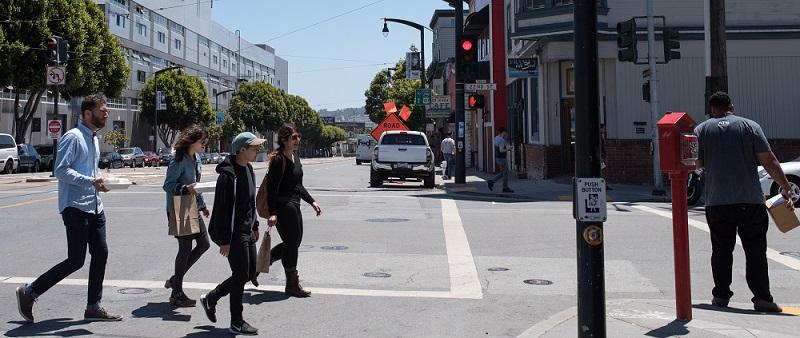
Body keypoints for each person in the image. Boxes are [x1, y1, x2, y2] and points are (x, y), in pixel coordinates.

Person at [15, 94, 122, 322]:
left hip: (94, 206)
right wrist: (90, 181)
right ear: (87, 114)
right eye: (102, 110)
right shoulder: (72, 137)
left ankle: (93, 307)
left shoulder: (93, 138)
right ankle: (29, 291)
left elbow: (90, 171)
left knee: (101, 254)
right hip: (75, 207)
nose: (106, 112)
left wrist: (101, 180)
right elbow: (60, 170)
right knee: (75, 260)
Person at [695, 91, 794, 313]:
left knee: (721, 249)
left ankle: (720, 296)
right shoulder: (750, 126)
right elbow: (768, 160)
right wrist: (785, 187)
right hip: (749, 199)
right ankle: (762, 298)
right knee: (755, 250)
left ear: (712, 109)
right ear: (732, 107)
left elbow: (697, 162)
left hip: (716, 201)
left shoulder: (701, 130)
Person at [201, 132, 265, 335]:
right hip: (234, 234)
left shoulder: (249, 169)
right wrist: (224, 240)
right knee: (240, 275)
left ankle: (212, 297)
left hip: (247, 230)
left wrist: (254, 225)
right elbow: (222, 210)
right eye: (254, 148)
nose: (257, 151)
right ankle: (237, 321)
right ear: (242, 150)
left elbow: (249, 203)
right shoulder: (228, 176)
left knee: (249, 272)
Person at [266, 124, 322, 297]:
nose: (297, 140)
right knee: (292, 245)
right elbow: (271, 189)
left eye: (299, 137)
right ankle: (292, 283)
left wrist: (312, 201)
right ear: (284, 140)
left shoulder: (295, 158)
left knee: (293, 244)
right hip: (284, 206)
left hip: (295, 204)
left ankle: (261, 263)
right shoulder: (278, 160)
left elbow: (298, 185)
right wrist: (272, 212)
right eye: (294, 137)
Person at [162, 124, 211, 307]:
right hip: (178, 207)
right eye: (202, 141)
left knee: (204, 243)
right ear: (193, 141)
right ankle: (177, 293)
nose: (204, 145)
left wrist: (203, 205)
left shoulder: (197, 158)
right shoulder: (179, 160)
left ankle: (176, 279)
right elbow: (168, 185)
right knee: (184, 248)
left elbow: (195, 185)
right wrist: (184, 188)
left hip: (192, 206)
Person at [487, 127, 514, 193]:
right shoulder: (502, 140)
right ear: (504, 132)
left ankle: (492, 181)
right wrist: (509, 149)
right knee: (505, 173)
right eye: (506, 133)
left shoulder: (496, 138)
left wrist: (506, 147)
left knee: (503, 173)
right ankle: (505, 188)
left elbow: (499, 148)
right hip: (502, 159)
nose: (507, 135)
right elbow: (501, 150)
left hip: (497, 158)